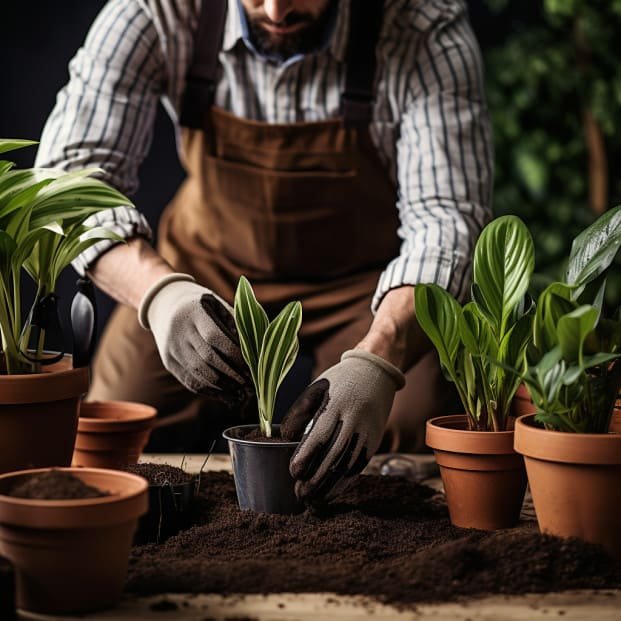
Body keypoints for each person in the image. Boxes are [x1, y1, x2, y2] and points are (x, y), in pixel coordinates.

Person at [35, 0, 492, 502]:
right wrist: (159, 295)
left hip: (365, 283)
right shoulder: (157, 10)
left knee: (412, 421)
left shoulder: (419, 24)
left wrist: (380, 357)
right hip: (201, 268)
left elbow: (448, 216)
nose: (275, 10)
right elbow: (71, 178)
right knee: (119, 413)